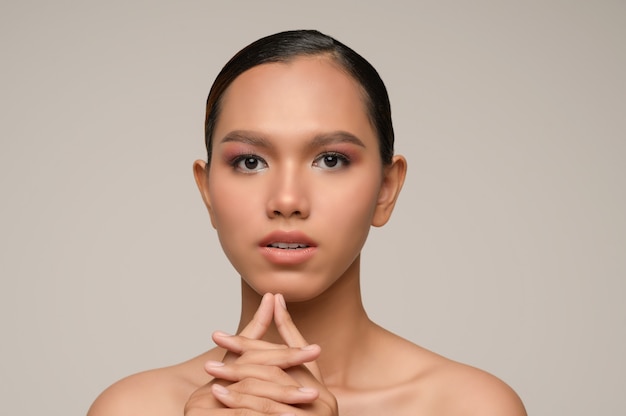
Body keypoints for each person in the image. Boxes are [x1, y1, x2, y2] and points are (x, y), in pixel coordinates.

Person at [87, 29, 526, 416]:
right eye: (250, 161)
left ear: (386, 189)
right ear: (207, 192)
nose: (287, 200)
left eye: (330, 160)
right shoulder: (132, 409)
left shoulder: (470, 407)